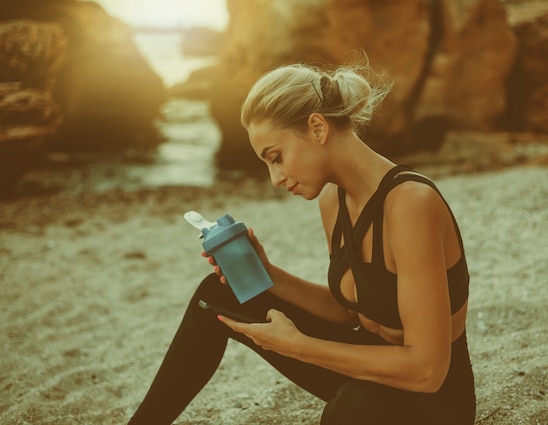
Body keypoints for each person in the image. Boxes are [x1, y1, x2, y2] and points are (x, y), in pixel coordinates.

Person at [128, 63, 475, 425]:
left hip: (433, 400)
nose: (275, 178)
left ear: (317, 127)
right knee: (217, 295)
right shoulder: (333, 200)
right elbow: (350, 312)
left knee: (351, 409)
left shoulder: (410, 205)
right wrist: (270, 276)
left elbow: (427, 370)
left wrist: (298, 347)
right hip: (370, 368)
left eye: (276, 158)